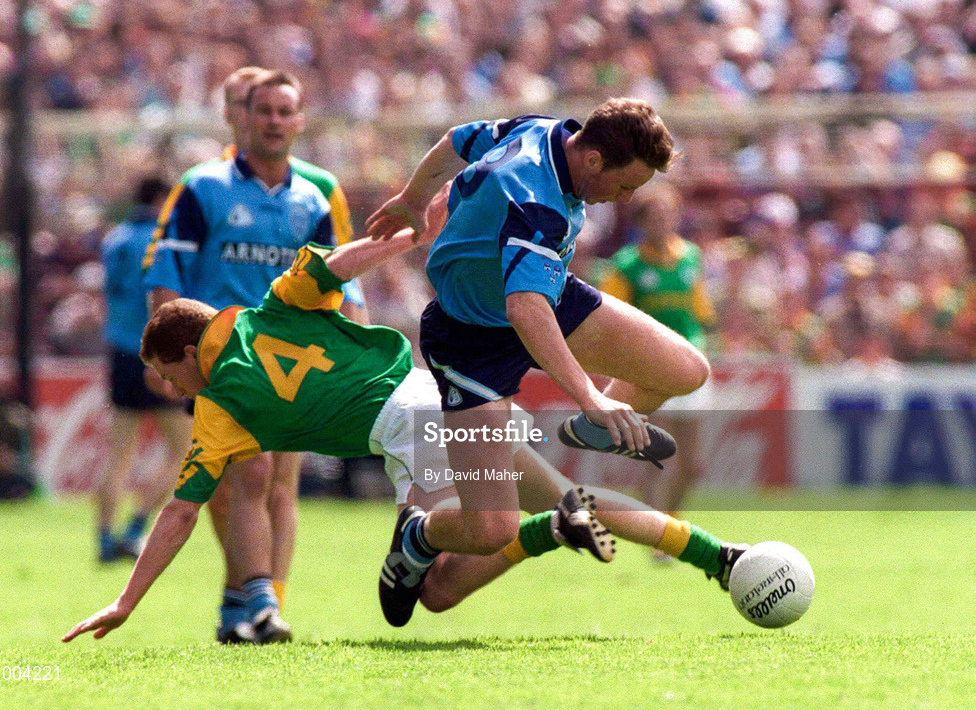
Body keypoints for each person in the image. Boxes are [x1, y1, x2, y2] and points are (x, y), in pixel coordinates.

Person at [62, 233, 750, 644]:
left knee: (443, 580)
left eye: (166, 375)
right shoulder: (274, 301)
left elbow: (180, 513)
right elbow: (338, 264)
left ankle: (432, 535)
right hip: (436, 393)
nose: (171, 390)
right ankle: (718, 555)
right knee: (559, 504)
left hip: (417, 425)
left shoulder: (218, 412)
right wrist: (402, 239)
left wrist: (127, 600)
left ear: (185, 351)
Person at [366, 99, 723, 617]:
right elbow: (525, 310)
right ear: (595, 160)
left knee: (685, 369)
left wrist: (412, 197)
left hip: (545, 291)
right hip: (473, 341)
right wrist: (592, 396)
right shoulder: (537, 202)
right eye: (624, 187)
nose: (620, 201)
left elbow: (457, 139)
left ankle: (589, 429)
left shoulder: (545, 131)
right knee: (491, 531)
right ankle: (418, 534)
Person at [142, 69, 359, 642]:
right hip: (216, 360)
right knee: (239, 480)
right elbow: (167, 270)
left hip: (290, 360)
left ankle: (261, 604)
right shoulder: (202, 186)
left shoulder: (317, 194)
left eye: (283, 111)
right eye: (259, 109)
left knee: (273, 481)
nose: (270, 120)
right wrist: (162, 353)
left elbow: (340, 281)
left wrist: (350, 347)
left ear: (299, 120)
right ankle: (250, 597)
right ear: (238, 115)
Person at [599, 182, 716, 553]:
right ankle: (656, 535)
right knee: (659, 455)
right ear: (642, 222)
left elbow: (700, 310)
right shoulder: (627, 266)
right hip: (648, 369)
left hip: (691, 363)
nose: (664, 222)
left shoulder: (690, 257)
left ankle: (667, 519)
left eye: (670, 214)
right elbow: (609, 317)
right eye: (656, 216)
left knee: (693, 463)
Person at [97, 177, 192, 563]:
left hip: (117, 350)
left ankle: (104, 538)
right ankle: (136, 526)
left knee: (119, 453)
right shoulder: (159, 240)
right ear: (158, 199)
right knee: (184, 451)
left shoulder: (114, 239)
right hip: (152, 351)